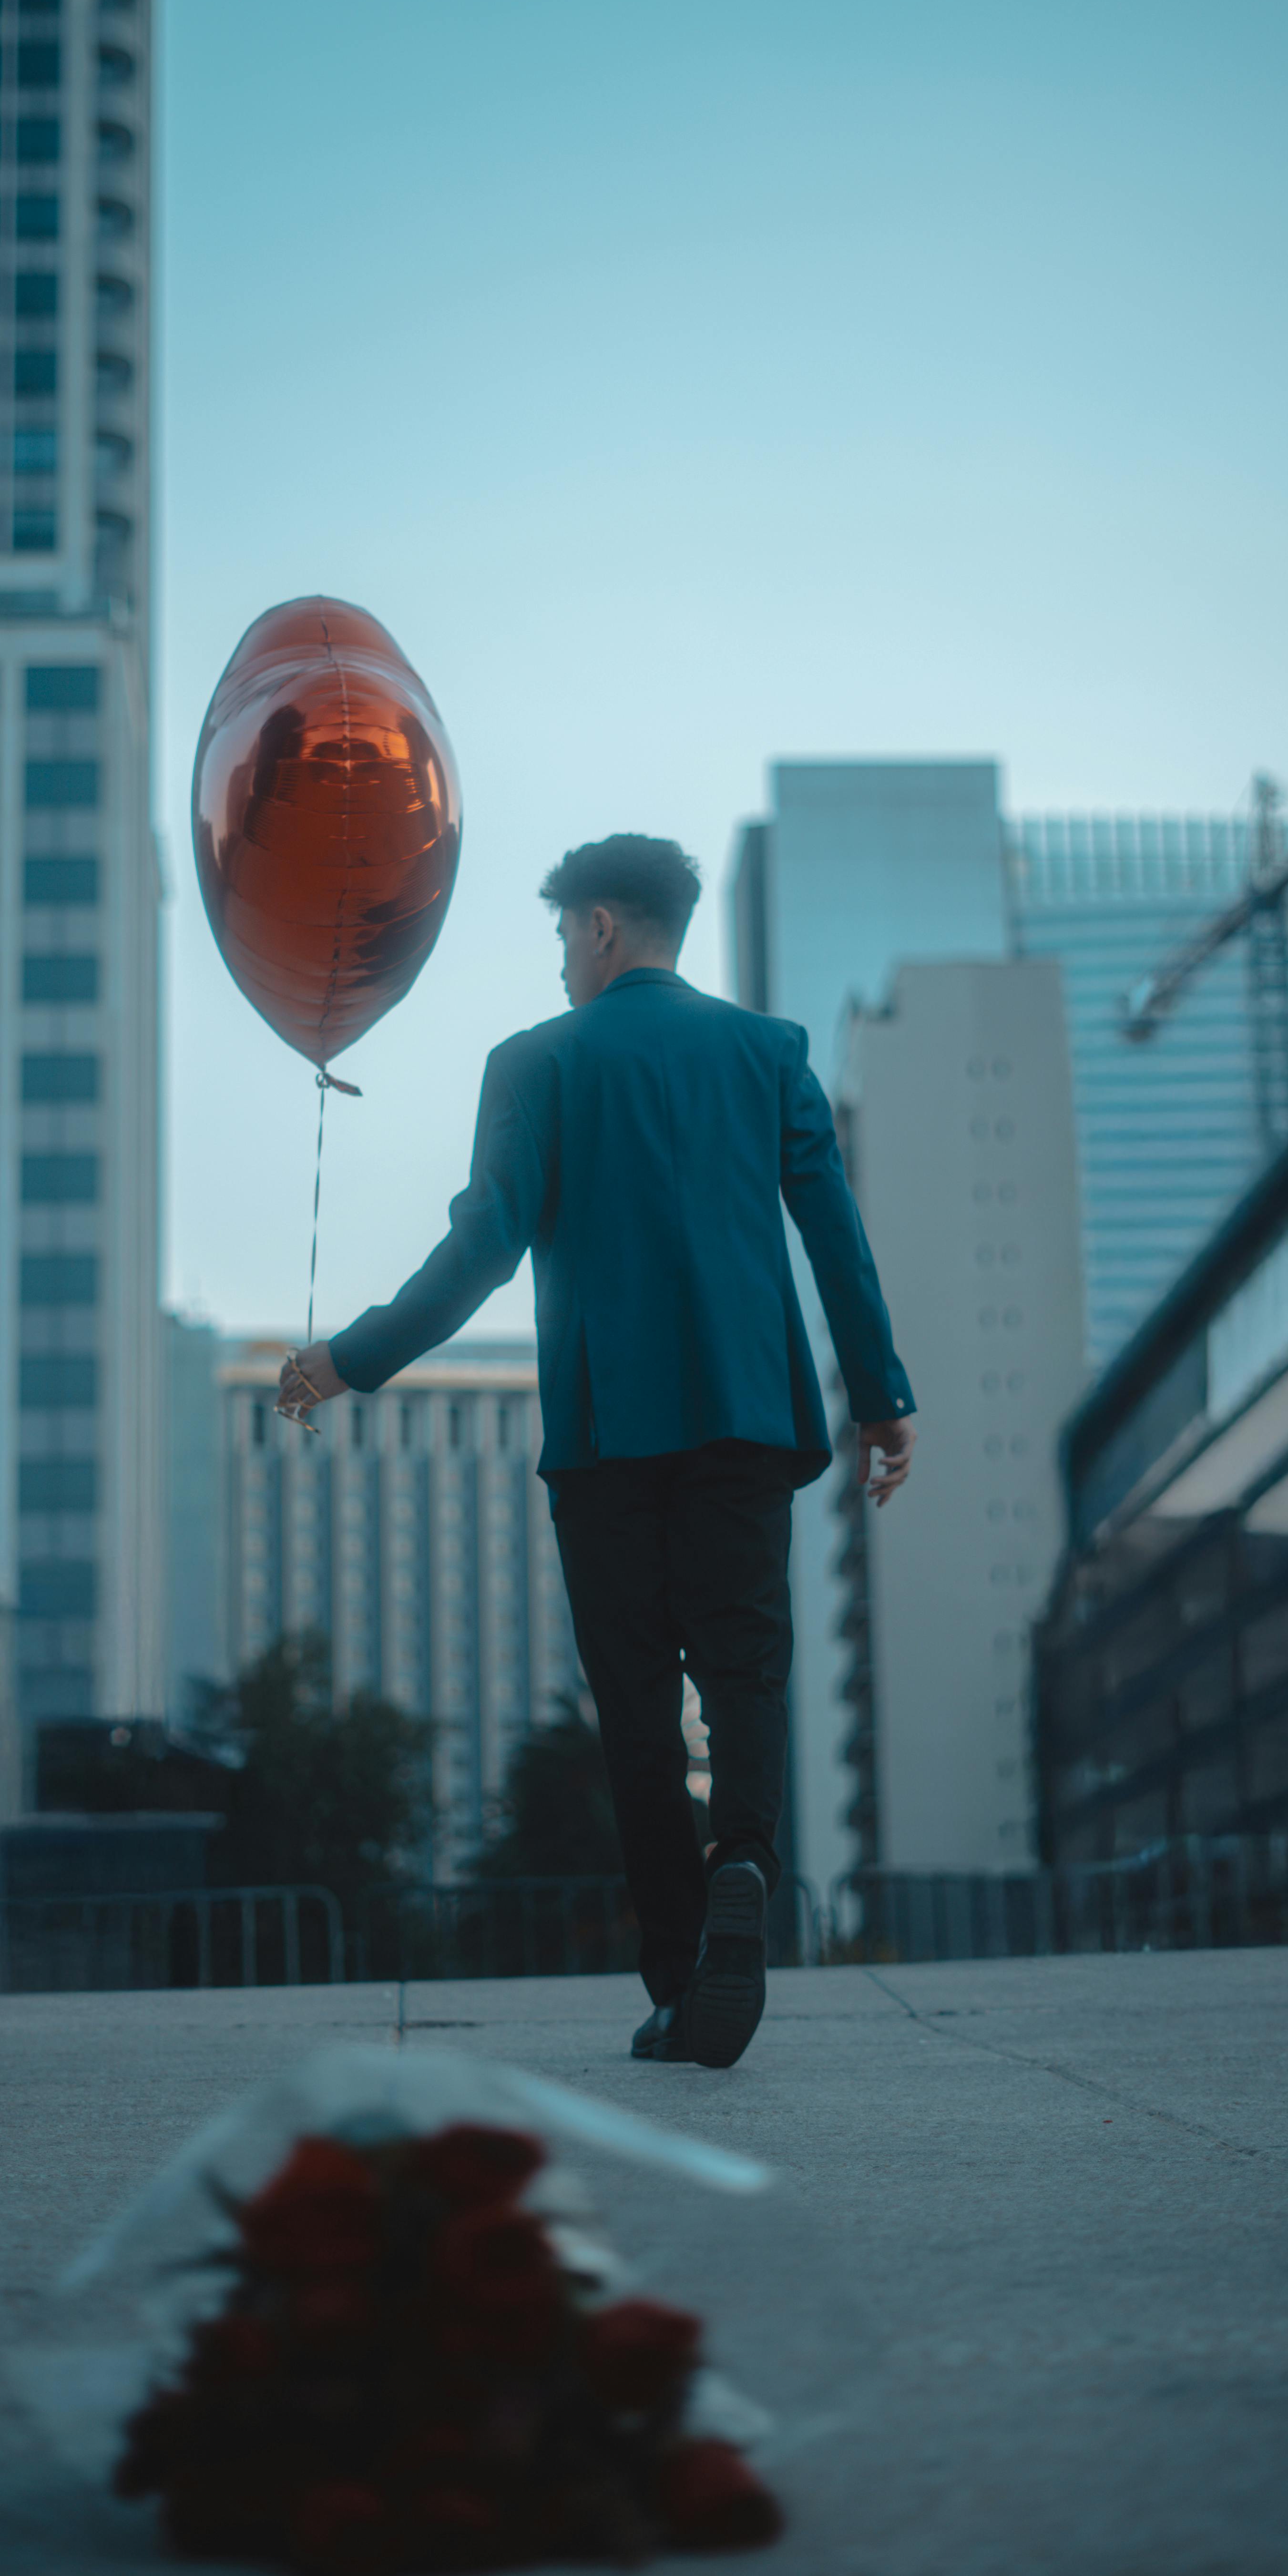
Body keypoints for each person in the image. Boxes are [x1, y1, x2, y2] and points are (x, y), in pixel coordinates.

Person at [277, 834, 916, 2069]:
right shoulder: (766, 1053)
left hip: (606, 1431)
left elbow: (482, 1250)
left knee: (634, 1701)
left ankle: (680, 1985)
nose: (564, 962)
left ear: (601, 929)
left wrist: (344, 1361)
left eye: (565, 936)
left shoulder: (535, 1064)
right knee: (746, 1665)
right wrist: (881, 1398)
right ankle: (746, 1861)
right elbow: (835, 1237)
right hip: (744, 1414)